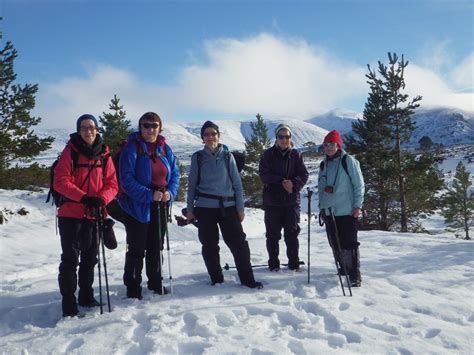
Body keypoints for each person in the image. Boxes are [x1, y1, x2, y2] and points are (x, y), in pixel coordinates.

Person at [54, 114, 119, 317]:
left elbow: (112, 184)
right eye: (84, 128)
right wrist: (84, 198)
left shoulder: (105, 154)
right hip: (71, 214)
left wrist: (101, 199)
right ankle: (69, 303)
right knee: (70, 260)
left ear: (97, 129)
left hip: (94, 213)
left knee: (90, 258)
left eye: (91, 127)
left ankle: (86, 296)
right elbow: (60, 181)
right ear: (78, 130)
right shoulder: (70, 152)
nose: (88, 131)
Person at [186, 121, 262, 289]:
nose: (210, 137)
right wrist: (190, 210)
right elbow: (191, 186)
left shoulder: (228, 157)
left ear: (219, 136)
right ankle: (216, 279)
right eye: (206, 134)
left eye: (213, 133)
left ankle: (247, 280)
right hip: (205, 208)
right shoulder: (198, 158)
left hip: (228, 207)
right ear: (202, 138)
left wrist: (240, 209)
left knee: (239, 244)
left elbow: (237, 184)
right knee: (210, 245)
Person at [118, 112, 180, 299]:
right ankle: (133, 287)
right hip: (137, 207)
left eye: (154, 125)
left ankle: (155, 282)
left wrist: (170, 193)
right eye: (146, 125)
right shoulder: (131, 149)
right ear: (140, 128)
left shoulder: (164, 148)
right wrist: (149, 195)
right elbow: (126, 179)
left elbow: (175, 174)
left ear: (159, 128)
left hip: (160, 204)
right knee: (137, 248)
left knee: (156, 246)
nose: (150, 129)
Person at [259, 124, 309, 271]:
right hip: (272, 202)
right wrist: (282, 182)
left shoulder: (296, 155)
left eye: (287, 137)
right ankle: (273, 264)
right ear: (276, 138)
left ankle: (293, 264)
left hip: (291, 202)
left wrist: (293, 183)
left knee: (292, 235)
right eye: (281, 137)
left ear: (290, 138)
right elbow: (264, 175)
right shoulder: (267, 155)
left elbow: (304, 175)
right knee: (272, 236)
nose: (284, 139)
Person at [318, 129, 364, 287]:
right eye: (325, 144)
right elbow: (322, 188)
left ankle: (354, 274)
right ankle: (343, 267)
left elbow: (358, 185)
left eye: (331, 144)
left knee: (349, 243)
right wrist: (322, 208)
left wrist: (358, 205)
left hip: (347, 210)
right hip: (330, 211)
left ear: (338, 145)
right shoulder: (324, 164)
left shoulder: (348, 161)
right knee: (335, 242)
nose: (328, 147)